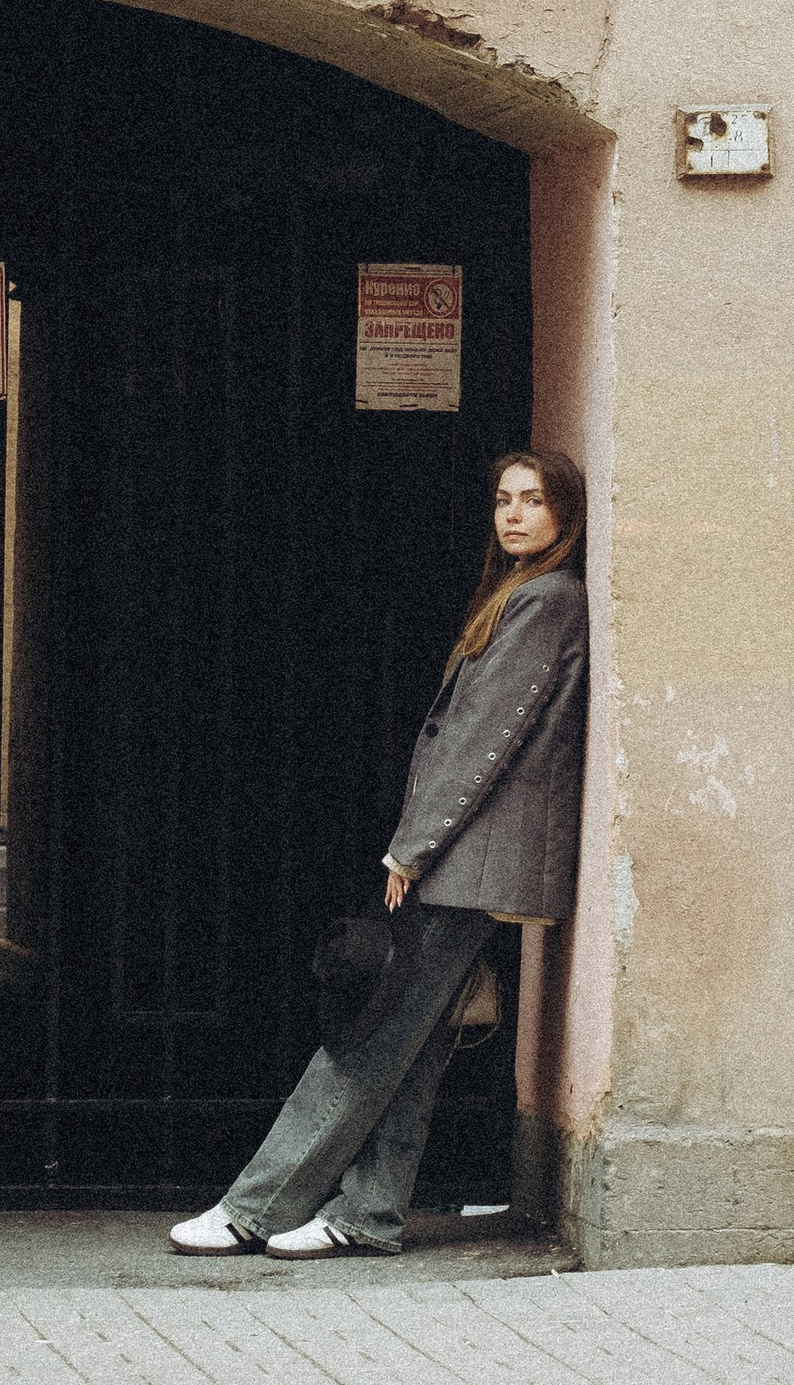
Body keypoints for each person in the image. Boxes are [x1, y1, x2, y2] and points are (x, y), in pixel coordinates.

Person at [170, 447, 590, 1261]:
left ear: (563, 514)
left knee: (368, 1037)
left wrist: (413, 848)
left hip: (462, 859)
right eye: (503, 499)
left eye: (533, 501)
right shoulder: (523, 592)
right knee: (415, 1041)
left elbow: (478, 741)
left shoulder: (547, 600)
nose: (512, 514)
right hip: (470, 858)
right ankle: (368, 1214)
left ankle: (252, 1207)